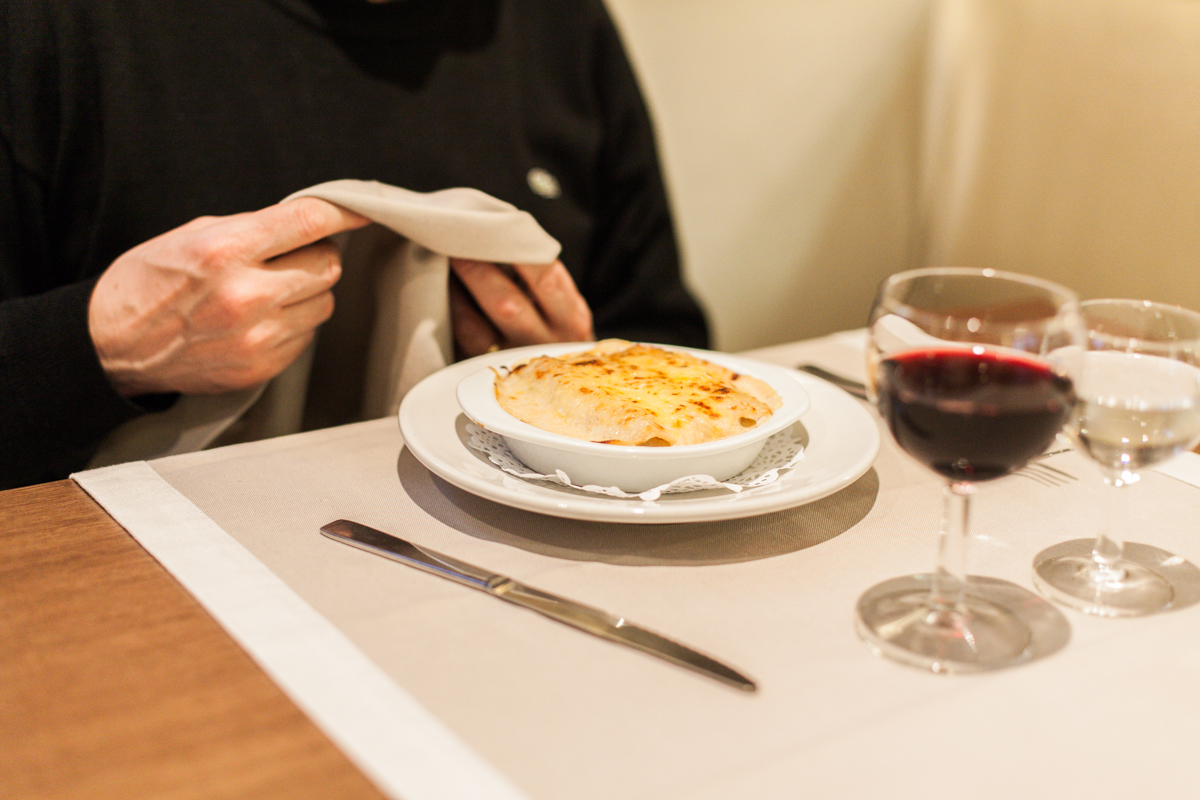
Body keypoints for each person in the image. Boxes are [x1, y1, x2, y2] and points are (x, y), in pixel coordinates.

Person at [0, 0, 710, 490]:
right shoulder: (54, 27)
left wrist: (592, 382)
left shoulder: (560, 25)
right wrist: (103, 348)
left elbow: (666, 333)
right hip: (131, 588)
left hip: (516, 564)